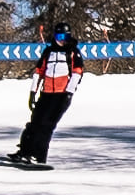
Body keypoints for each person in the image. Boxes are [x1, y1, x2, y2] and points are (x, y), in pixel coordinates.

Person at [6, 20, 82, 171]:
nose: (61, 40)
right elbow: (39, 72)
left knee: (46, 125)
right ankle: (25, 152)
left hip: (61, 95)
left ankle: (39, 156)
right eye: (58, 36)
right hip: (46, 93)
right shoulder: (48, 52)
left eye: (64, 37)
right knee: (34, 123)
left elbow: (77, 73)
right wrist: (33, 92)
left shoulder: (73, 52)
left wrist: (69, 92)